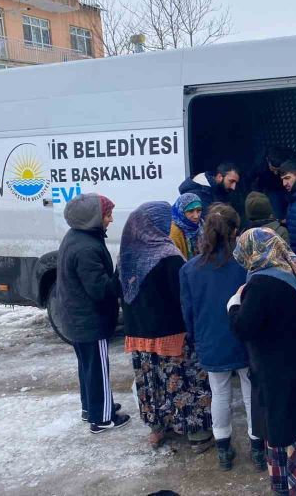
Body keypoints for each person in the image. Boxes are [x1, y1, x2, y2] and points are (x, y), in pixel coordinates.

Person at [229, 228, 296, 495]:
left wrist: (233, 306)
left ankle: (293, 480)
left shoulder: (261, 283)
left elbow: (245, 328)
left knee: (282, 420)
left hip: (279, 365)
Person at [119, 201, 214, 452]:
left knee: (152, 383)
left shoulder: (126, 255)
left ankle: (158, 428)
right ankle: (197, 434)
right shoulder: (168, 256)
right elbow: (183, 295)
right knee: (186, 381)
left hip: (139, 335)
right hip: (172, 333)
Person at [179, 205, 266, 472]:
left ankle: (224, 449)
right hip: (243, 338)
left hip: (210, 339)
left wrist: (195, 339)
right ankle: (257, 447)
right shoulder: (246, 266)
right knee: (251, 392)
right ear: (236, 232)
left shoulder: (190, 269)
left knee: (219, 393)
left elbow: (188, 311)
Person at [56, 193, 130, 433]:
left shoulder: (76, 237)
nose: (110, 220)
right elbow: (100, 290)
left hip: (76, 318)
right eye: (107, 215)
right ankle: (102, 418)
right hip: (89, 320)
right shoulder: (86, 248)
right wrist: (120, 273)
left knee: (88, 366)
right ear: (93, 218)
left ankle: (91, 408)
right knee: (97, 368)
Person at [253, 146, 296, 221]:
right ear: (268, 161)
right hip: (272, 190)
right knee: (277, 214)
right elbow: (255, 182)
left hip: (292, 188)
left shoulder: (293, 159)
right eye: (273, 170)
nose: (276, 173)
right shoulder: (260, 165)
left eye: (278, 170)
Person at [170, 192, 203, 260]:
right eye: (190, 211)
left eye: (199, 210)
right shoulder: (174, 232)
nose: (196, 216)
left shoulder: (202, 225)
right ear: (181, 211)